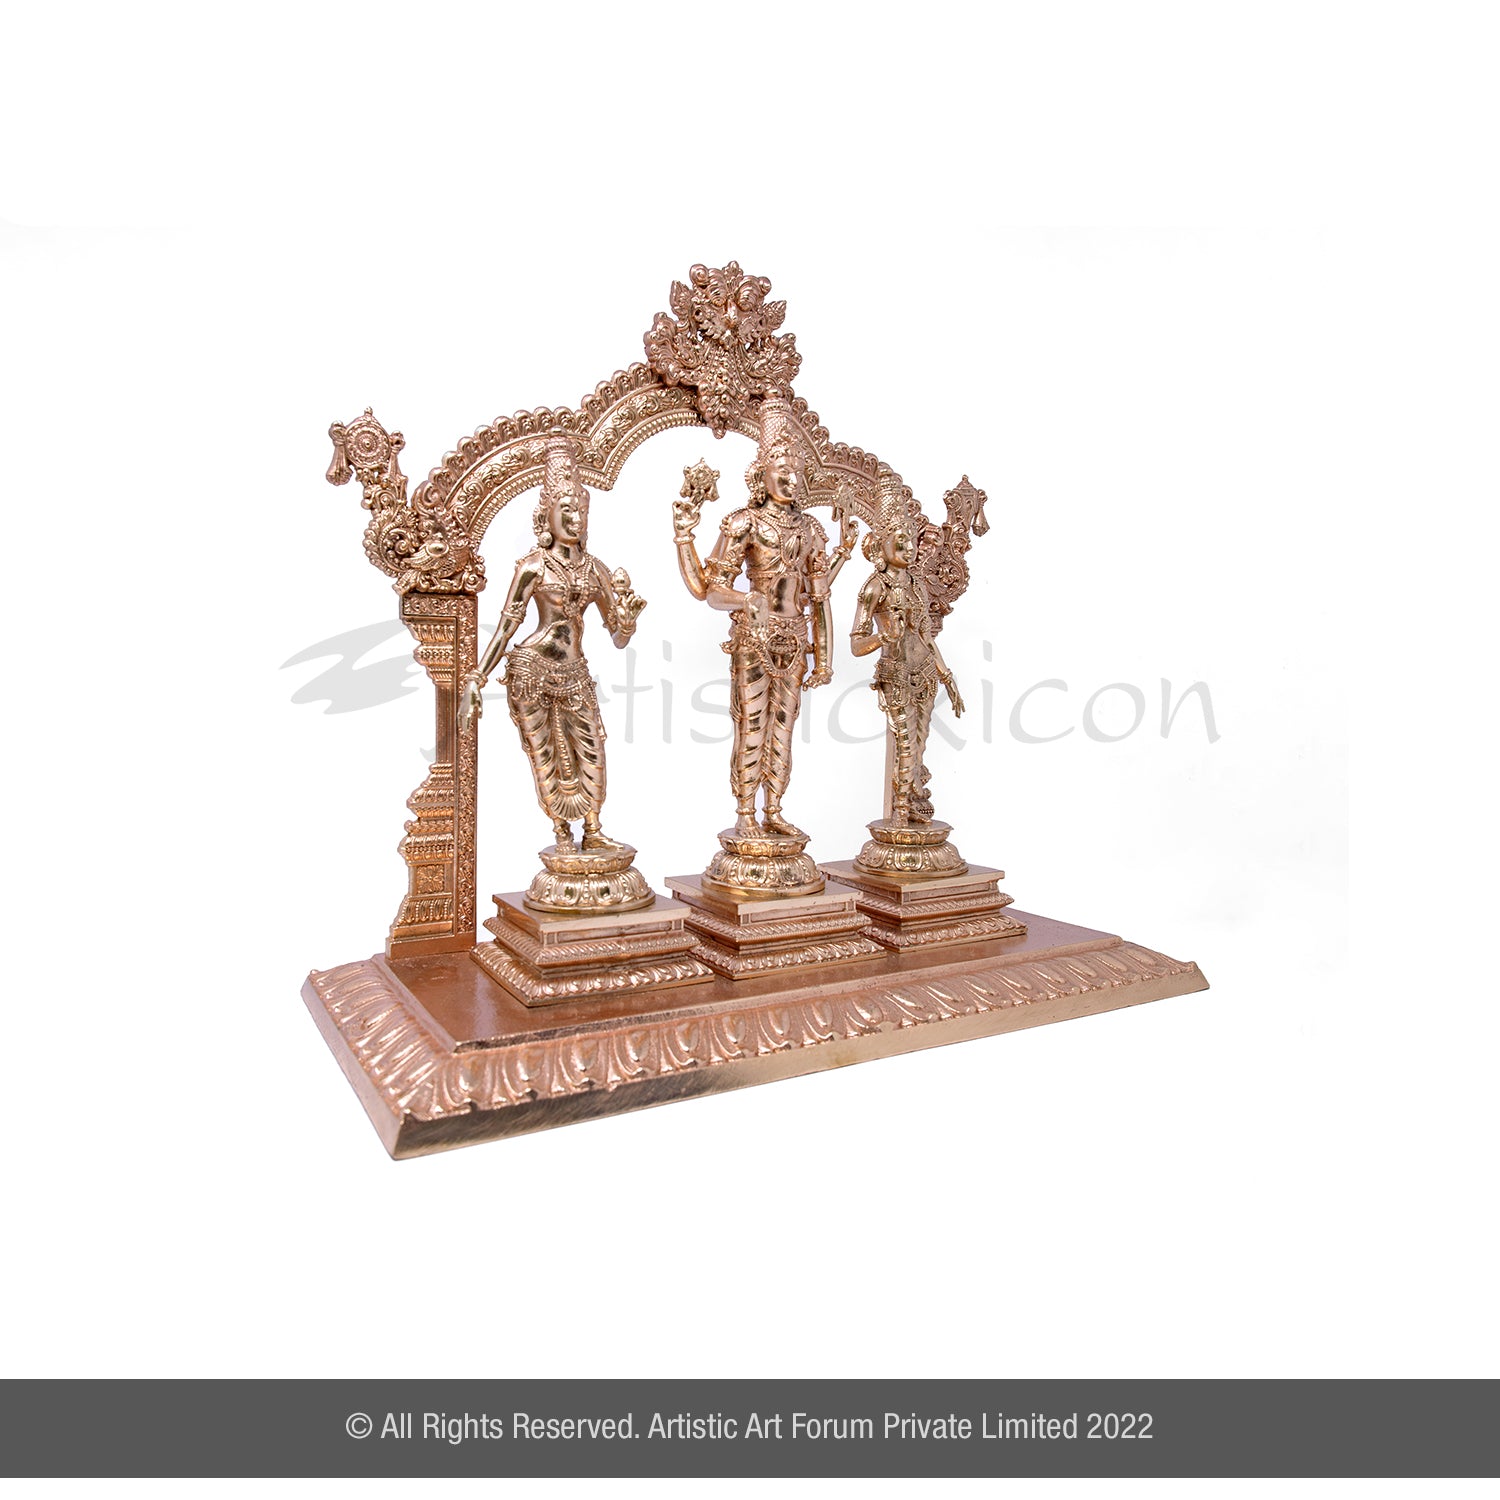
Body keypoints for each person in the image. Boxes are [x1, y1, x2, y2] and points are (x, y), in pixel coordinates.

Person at [674, 399, 853, 839]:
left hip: (795, 639)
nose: (791, 479)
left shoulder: (811, 529)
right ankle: (745, 812)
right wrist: (745, 599)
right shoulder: (744, 524)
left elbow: (819, 597)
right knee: (752, 724)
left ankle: (773, 807)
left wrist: (824, 659)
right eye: (782, 470)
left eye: (797, 472)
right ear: (761, 476)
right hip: (754, 640)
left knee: (785, 728)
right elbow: (711, 591)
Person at [459, 436, 644, 850]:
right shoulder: (533, 566)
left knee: (592, 750)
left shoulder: (596, 570)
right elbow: (506, 627)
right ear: (546, 517)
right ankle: (562, 832)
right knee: (545, 753)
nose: (576, 518)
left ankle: (593, 829)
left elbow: (617, 636)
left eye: (582, 510)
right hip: (532, 669)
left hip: (575, 672)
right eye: (567, 510)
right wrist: (476, 678)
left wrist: (628, 623)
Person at [849, 518, 964, 824]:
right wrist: (883, 637)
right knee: (905, 743)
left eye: (912, 540)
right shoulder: (875, 587)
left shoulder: (916, 585)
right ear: (882, 546)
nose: (909, 548)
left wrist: (946, 677)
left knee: (920, 743)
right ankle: (900, 810)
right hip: (896, 673)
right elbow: (856, 645)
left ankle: (912, 801)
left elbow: (926, 636)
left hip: (924, 672)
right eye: (901, 542)